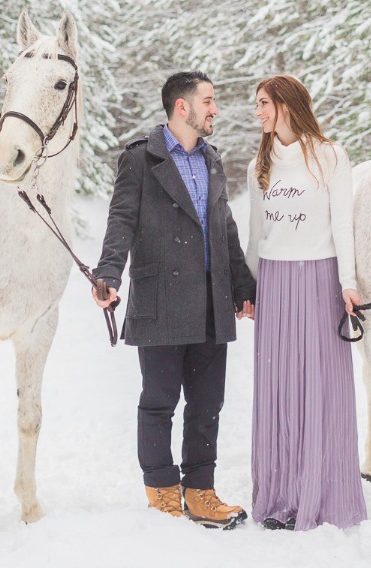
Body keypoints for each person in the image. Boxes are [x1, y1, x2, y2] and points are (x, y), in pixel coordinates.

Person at [92, 70, 257, 529]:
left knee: (207, 404)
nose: (215, 109)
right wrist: (107, 274)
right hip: (162, 295)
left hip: (212, 298)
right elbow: (121, 219)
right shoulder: (142, 159)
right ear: (182, 106)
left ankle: (201, 493)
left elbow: (224, 228)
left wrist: (243, 286)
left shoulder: (212, 159)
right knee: (160, 400)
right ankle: (162, 492)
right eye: (208, 100)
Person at [246, 74, 367, 531]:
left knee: (321, 388)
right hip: (274, 283)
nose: (257, 112)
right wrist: (250, 287)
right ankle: (280, 498)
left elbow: (343, 224)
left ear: (286, 104)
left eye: (262, 103)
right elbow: (257, 234)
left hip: (320, 278)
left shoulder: (331, 156)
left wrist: (348, 283)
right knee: (278, 391)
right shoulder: (261, 162)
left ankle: (324, 495)